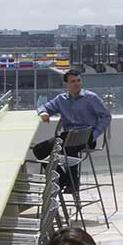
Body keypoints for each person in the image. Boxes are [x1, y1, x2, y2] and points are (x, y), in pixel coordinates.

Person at [39, 68, 114, 196]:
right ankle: (63, 180)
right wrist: (44, 112)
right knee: (39, 150)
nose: (77, 83)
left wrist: (95, 135)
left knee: (67, 147)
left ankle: (72, 183)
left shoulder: (91, 97)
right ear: (66, 84)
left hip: (87, 137)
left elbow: (106, 116)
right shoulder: (60, 99)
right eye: (73, 81)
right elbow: (44, 107)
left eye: (78, 80)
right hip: (69, 137)